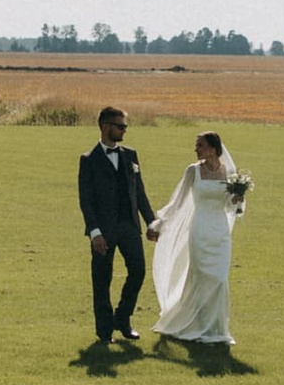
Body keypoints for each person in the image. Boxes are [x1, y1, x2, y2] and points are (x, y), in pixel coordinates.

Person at [150, 131, 246, 344]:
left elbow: (232, 206)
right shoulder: (193, 171)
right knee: (201, 278)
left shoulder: (228, 172)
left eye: (200, 145)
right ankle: (197, 324)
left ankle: (217, 328)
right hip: (200, 230)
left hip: (219, 232)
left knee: (220, 279)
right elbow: (178, 202)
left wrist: (238, 199)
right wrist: (160, 223)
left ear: (212, 149)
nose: (196, 149)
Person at [77, 106, 159, 342]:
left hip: (129, 227)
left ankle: (123, 317)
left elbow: (139, 193)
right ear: (105, 127)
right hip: (103, 231)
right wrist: (94, 233)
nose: (125, 130)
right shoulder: (88, 160)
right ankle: (104, 331)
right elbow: (86, 200)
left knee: (139, 271)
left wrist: (151, 222)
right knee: (102, 279)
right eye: (120, 126)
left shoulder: (130, 155)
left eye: (125, 126)